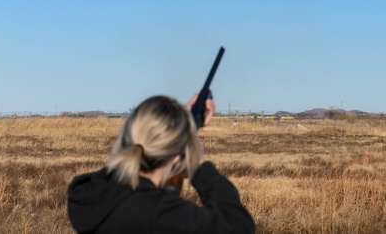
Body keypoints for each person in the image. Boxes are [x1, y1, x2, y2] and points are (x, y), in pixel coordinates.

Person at [67, 94, 255, 234]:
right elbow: (238, 225)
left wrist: (184, 127)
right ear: (176, 157)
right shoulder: (159, 215)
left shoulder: (91, 195)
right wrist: (197, 163)